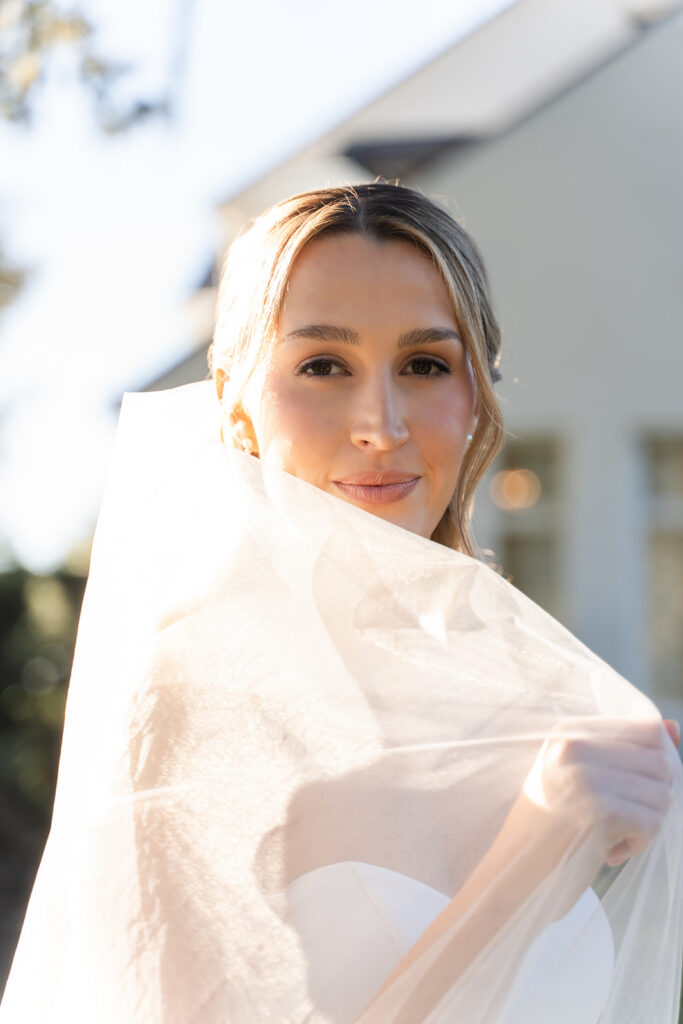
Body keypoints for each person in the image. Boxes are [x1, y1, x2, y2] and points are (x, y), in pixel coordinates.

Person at [1, 182, 681, 1023]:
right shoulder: (185, 697)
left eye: (425, 364)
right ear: (236, 407)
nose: (381, 422)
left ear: (476, 396)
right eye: (323, 366)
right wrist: (535, 853)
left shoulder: (521, 712)